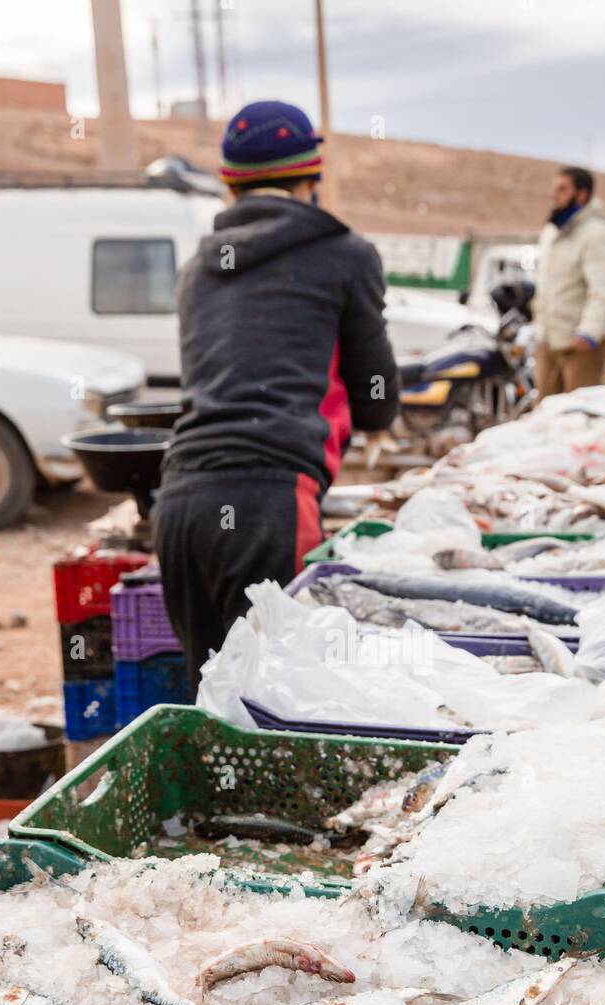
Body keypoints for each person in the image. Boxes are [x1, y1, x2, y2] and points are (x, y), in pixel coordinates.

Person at [154, 99, 399, 693]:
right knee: (281, 698)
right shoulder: (346, 255)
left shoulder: (196, 269)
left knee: (211, 697)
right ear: (311, 178)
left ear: (229, 186)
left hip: (180, 500)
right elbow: (376, 399)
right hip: (268, 503)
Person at [533, 166, 605, 399]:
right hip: (550, 340)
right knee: (544, 415)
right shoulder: (553, 231)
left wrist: (589, 332)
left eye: (562, 189)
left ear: (581, 194)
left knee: (577, 415)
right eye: (555, 189)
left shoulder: (596, 233)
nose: (555, 195)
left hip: (579, 346)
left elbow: (604, 288)